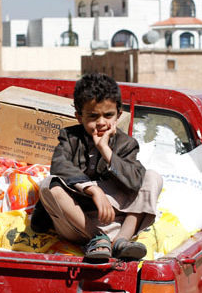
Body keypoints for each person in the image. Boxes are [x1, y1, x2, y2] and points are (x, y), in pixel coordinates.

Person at [31, 73, 162, 261]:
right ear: (79, 117)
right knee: (49, 184)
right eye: (93, 116)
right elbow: (60, 165)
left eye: (108, 115)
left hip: (117, 219)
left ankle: (121, 242)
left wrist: (105, 149)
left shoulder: (127, 143)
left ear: (119, 115)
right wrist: (93, 191)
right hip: (79, 224)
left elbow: (134, 181)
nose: (101, 122)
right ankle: (98, 238)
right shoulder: (69, 137)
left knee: (152, 177)